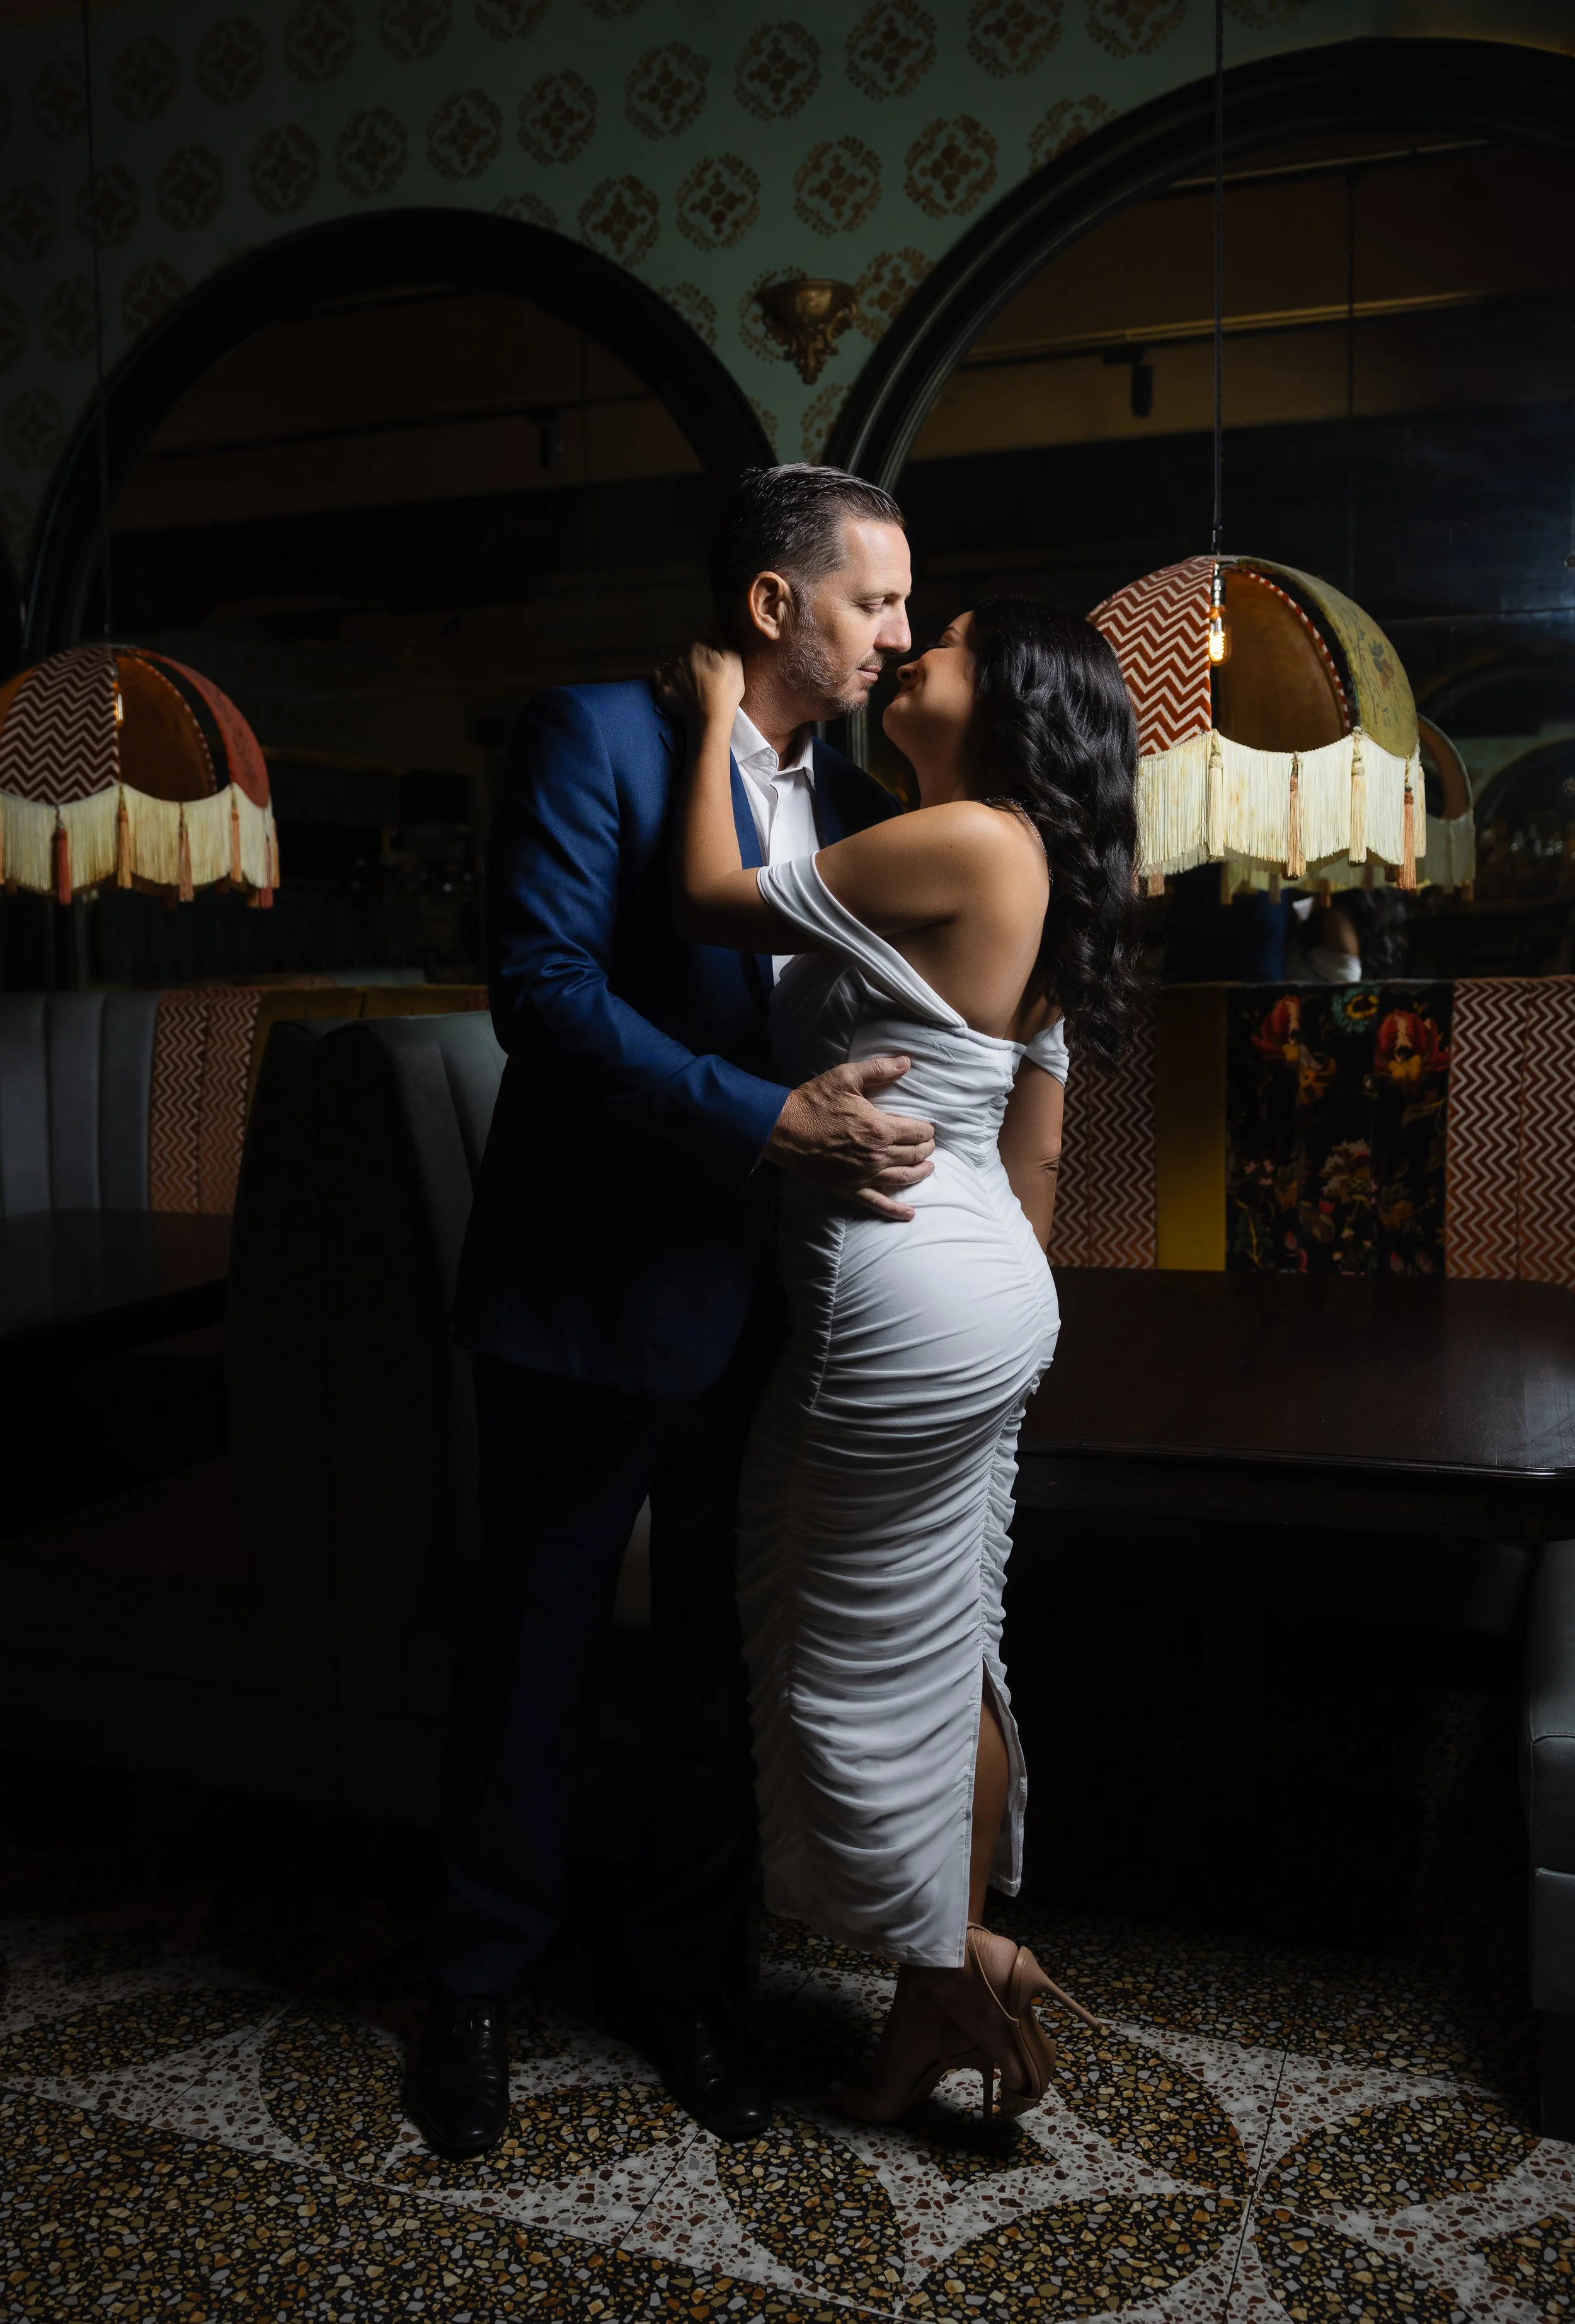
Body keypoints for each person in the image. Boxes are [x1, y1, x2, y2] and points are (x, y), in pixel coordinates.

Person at [409, 466, 932, 2160]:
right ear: (775, 603)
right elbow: (542, 994)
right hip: (589, 1289)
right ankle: (472, 1987)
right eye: (875, 602)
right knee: (534, 1655)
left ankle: (684, 1985)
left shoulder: (854, 795)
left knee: (724, 1666)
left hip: (779, 1305)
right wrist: (770, 1120)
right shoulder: (592, 733)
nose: (900, 634)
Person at [667, 597, 1138, 2122]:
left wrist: (709, 714)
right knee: (950, 1643)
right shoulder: (1036, 864)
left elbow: (705, 893)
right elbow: (1041, 1150)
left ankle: (941, 1966)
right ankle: (959, 1962)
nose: (910, 647)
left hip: (901, 1293)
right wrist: (1001, 1315)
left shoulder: (970, 842)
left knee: (829, 1641)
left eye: (942, 635)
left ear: (1001, 691)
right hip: (985, 1281)